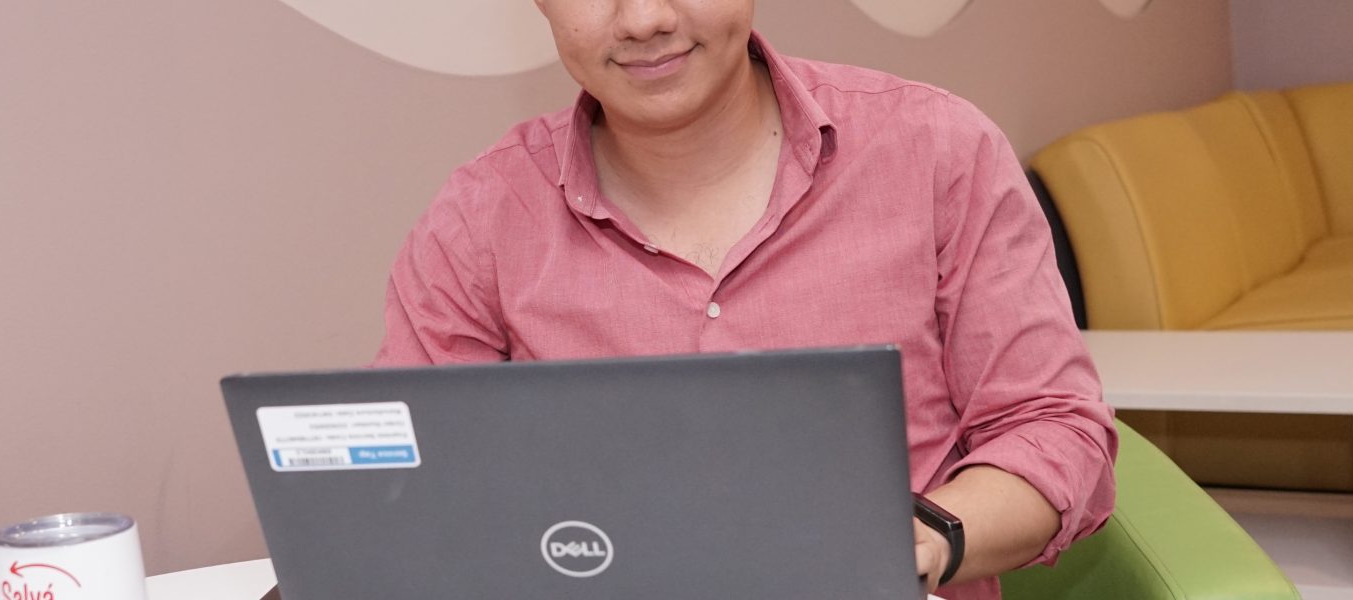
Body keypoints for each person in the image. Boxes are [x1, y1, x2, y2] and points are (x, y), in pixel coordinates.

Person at [371, 1, 1117, 597]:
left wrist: (916, 541)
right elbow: (408, 487)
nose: (644, 19)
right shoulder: (481, 217)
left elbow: (1053, 427)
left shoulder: (937, 150)